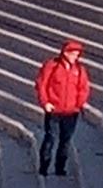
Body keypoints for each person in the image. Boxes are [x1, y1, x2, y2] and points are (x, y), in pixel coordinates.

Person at [35, 39, 91, 177]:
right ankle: (44, 167)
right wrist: (45, 102)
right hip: (54, 110)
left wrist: (78, 104)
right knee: (50, 138)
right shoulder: (52, 66)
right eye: (72, 53)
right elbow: (42, 84)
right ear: (65, 53)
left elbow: (83, 88)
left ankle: (60, 168)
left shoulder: (79, 69)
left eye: (77, 54)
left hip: (71, 112)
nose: (74, 56)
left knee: (66, 140)